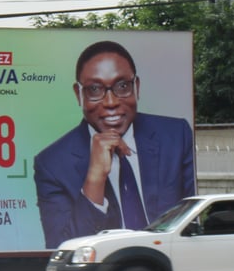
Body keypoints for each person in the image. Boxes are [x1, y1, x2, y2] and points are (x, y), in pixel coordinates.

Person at [34, 40, 196, 248]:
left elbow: (194, 219)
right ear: (79, 94)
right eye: (94, 89)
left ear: (136, 87)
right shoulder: (52, 164)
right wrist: (95, 179)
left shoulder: (175, 136)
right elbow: (61, 247)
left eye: (122, 86)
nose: (111, 102)